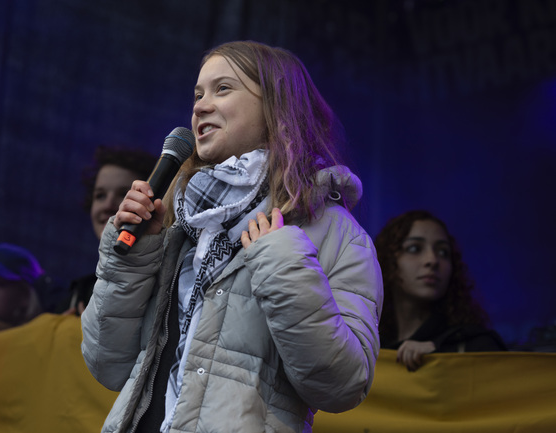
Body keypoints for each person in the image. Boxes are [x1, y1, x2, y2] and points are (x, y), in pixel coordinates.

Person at [81, 40, 383, 433]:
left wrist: (283, 267)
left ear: (277, 107)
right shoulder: (175, 216)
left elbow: (343, 386)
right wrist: (132, 261)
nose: (200, 107)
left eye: (222, 89)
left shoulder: (334, 232)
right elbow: (107, 363)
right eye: (198, 95)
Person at [374, 210, 507, 372]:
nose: (432, 260)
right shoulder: (369, 347)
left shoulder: (477, 346)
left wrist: (444, 358)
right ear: (387, 261)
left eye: (443, 252)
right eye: (414, 248)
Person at [56, 146, 155, 315]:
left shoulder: (166, 283)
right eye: (100, 195)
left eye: (124, 194)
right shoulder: (78, 295)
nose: (108, 205)